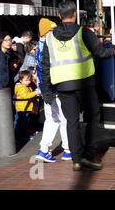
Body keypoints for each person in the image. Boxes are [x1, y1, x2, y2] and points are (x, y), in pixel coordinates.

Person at [41, 1, 115, 171]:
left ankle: (76, 159)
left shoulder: (50, 38)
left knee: (71, 122)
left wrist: (46, 91)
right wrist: (113, 49)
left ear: (60, 16)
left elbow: (44, 66)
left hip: (62, 86)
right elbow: (101, 53)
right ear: (75, 14)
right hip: (85, 83)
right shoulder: (84, 32)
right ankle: (88, 155)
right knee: (92, 117)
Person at [35, 18, 71, 163]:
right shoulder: (48, 46)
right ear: (45, 32)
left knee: (52, 120)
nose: (55, 32)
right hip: (55, 89)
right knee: (64, 119)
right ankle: (68, 150)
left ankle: (44, 149)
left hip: (47, 89)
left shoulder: (40, 45)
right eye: (52, 30)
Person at [13, 70, 40, 143]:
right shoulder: (21, 88)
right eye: (26, 80)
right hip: (22, 108)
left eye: (29, 80)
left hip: (26, 107)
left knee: (25, 122)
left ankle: (24, 136)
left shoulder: (27, 86)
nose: (28, 82)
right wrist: (34, 93)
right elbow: (26, 96)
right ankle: (17, 137)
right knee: (20, 123)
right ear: (20, 80)